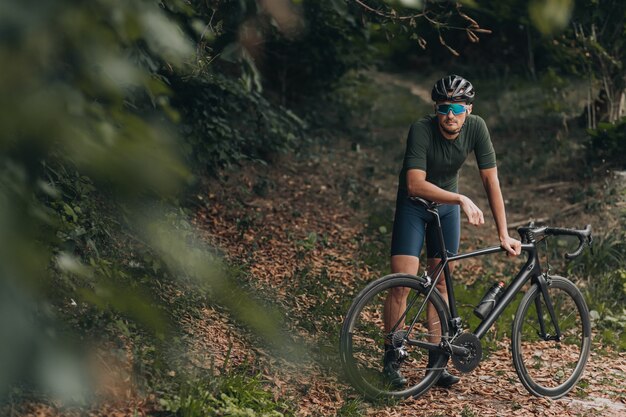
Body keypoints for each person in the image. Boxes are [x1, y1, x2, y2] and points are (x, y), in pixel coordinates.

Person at [382, 74, 522, 388]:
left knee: (441, 283)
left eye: (457, 108)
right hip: (414, 206)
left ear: (468, 110)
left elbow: (490, 180)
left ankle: (437, 363)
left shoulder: (477, 128)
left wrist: (503, 233)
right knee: (401, 284)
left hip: (444, 212)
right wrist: (460, 197)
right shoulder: (421, 129)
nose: (450, 115)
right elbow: (414, 183)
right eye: (444, 107)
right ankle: (392, 359)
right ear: (436, 108)